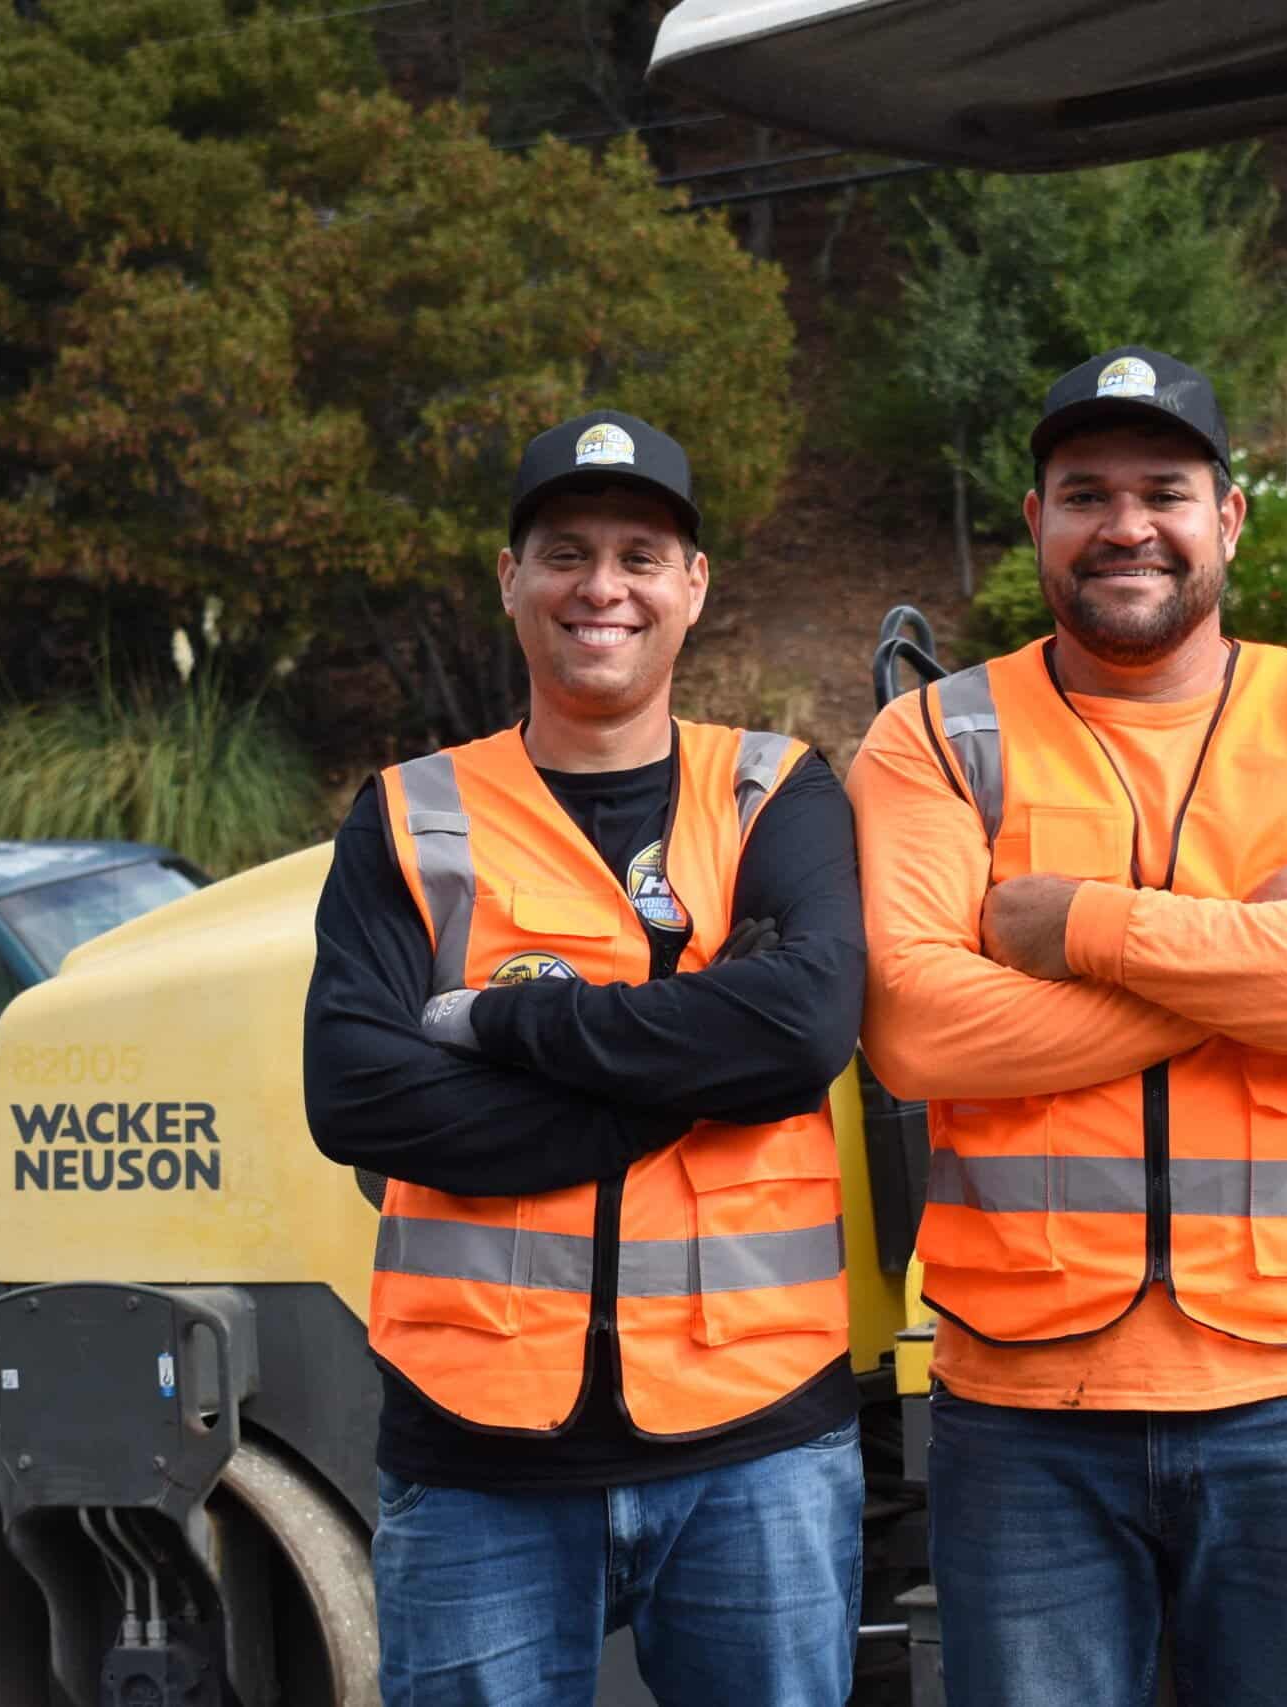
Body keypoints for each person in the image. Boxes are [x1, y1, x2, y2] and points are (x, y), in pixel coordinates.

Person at [847, 348, 1287, 1706]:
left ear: (1229, 516)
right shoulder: (938, 742)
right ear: (1036, 525)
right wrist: (1269, 937)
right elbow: (918, 1034)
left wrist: (1081, 925)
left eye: (1163, 490)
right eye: (1084, 493)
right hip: (1025, 1417)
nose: (1126, 524)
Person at [304, 409, 868, 1707]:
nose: (600, 587)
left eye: (638, 554)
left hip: (754, 1439)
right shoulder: (411, 817)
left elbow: (795, 1035)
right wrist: (678, 1081)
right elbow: (359, 1093)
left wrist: (504, 1028)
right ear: (510, 581)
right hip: (476, 1451)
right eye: (564, 552)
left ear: (694, 586)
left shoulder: (774, 794)